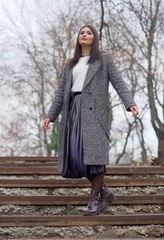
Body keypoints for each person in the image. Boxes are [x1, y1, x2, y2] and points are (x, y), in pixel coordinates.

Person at [42, 25, 139, 216]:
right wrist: (50, 115)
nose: (84, 35)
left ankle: (94, 200)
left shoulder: (103, 59)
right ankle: (104, 192)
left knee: (95, 157)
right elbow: (62, 92)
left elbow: (118, 81)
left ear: (94, 38)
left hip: (95, 113)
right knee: (76, 157)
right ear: (78, 38)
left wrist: (130, 103)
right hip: (73, 113)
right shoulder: (71, 64)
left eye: (89, 33)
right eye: (81, 33)